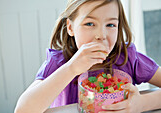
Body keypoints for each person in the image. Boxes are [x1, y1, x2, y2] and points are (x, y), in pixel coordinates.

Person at [14, 0, 161, 113]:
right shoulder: (59, 63)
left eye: (110, 25)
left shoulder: (128, 57)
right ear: (71, 27)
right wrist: (71, 68)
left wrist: (142, 104)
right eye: (90, 23)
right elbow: (23, 110)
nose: (101, 35)